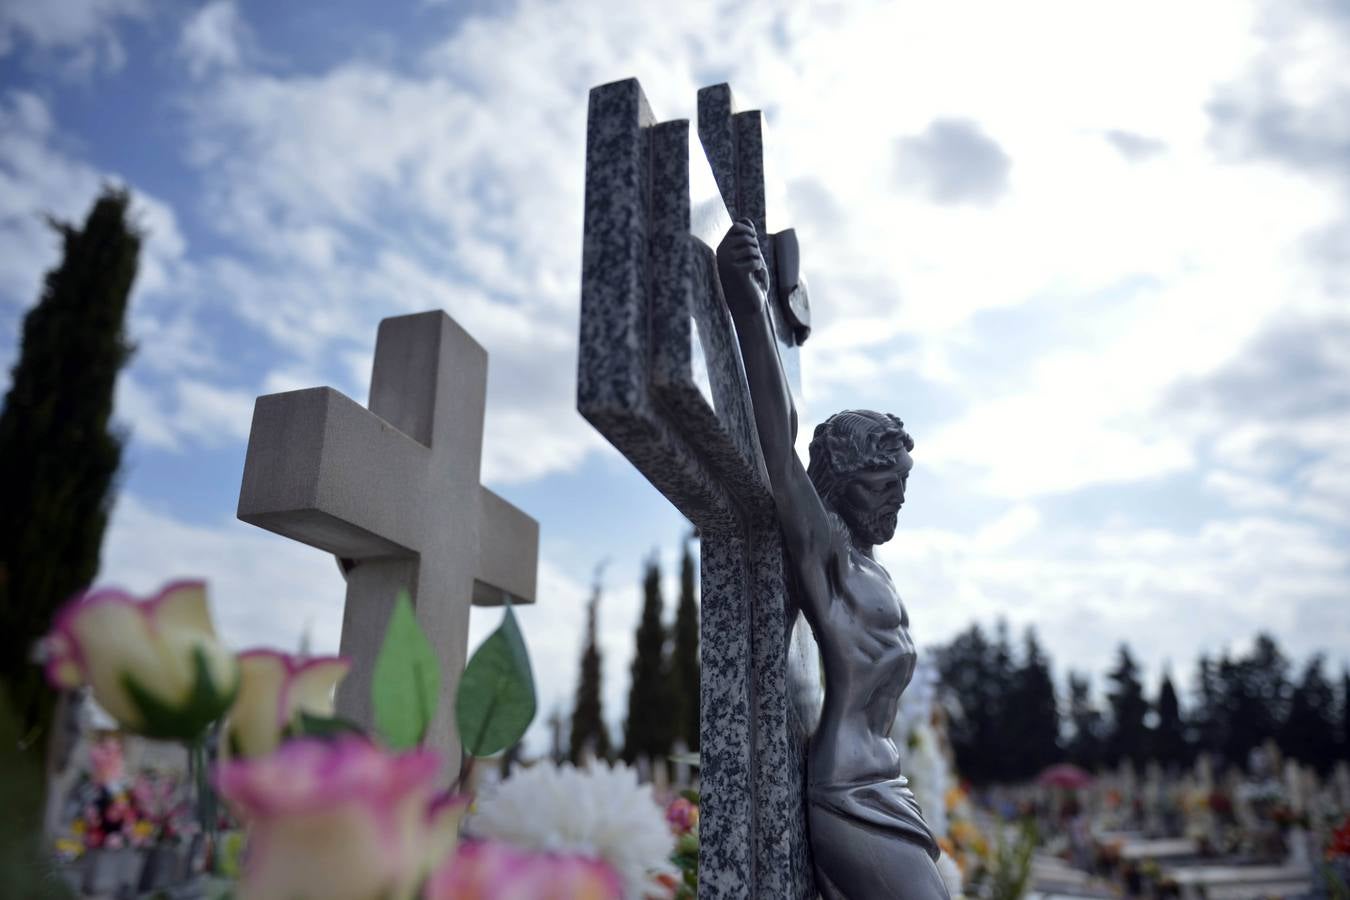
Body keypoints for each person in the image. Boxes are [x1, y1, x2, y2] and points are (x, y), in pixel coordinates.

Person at [718, 219, 951, 900]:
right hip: (848, 792)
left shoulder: (874, 570)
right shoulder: (833, 563)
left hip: (889, 785)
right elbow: (778, 448)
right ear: (845, 488)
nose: (896, 504)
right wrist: (749, 304)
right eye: (884, 488)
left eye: (902, 489)